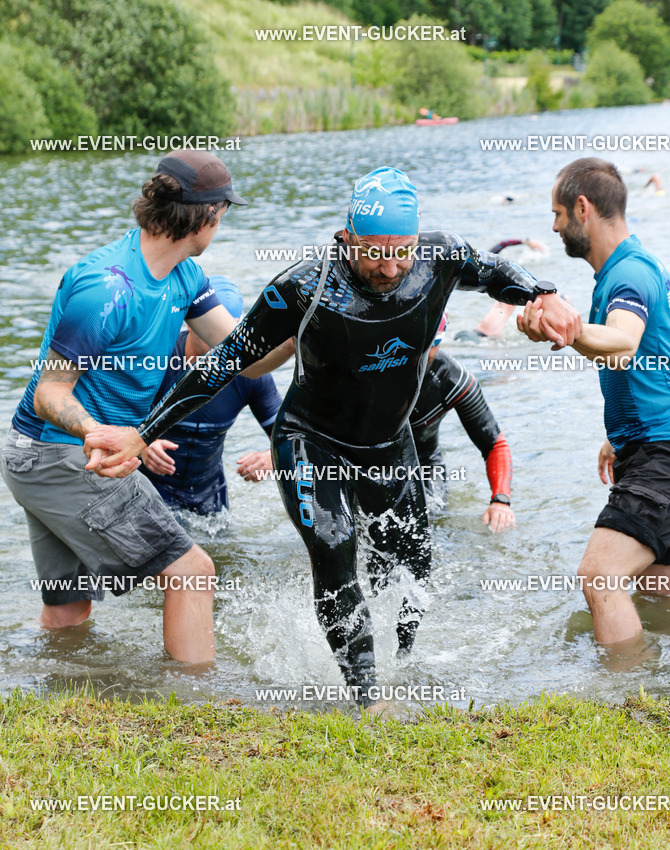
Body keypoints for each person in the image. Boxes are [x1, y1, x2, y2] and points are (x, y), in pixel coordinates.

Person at [86, 166, 577, 712]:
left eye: (401, 252)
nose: (389, 268)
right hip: (309, 440)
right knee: (334, 542)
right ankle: (368, 698)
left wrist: (544, 292)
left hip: (388, 444)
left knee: (412, 563)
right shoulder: (303, 287)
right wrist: (142, 434)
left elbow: (493, 271)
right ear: (345, 240)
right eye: (373, 253)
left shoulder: (441, 257)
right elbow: (224, 364)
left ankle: (405, 668)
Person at [0, 150, 249, 664]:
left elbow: (246, 355)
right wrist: (100, 432)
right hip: (61, 453)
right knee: (192, 571)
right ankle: (197, 707)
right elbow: (51, 392)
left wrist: (304, 320)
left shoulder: (186, 278)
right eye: (222, 216)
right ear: (204, 216)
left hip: (38, 458)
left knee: (69, 614)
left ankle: (28, 673)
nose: (219, 227)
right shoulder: (107, 288)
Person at [518, 157, 670, 646]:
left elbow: (625, 340)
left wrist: (564, 331)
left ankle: (626, 699)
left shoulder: (627, 275)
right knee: (662, 593)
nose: (553, 225)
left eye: (558, 213)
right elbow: (663, 357)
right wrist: (617, 437)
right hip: (659, 446)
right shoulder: (639, 265)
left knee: (600, 576)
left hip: (663, 455)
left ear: (582, 208)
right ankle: (662, 695)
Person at [140, 275, 292, 515]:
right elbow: (108, 417)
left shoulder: (252, 374)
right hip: (149, 486)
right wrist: (141, 444)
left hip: (210, 494)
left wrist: (272, 459)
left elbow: (291, 438)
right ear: (191, 323)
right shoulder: (158, 360)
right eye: (213, 333)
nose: (223, 346)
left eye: (231, 337)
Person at [409, 316, 514, 531]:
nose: (420, 355)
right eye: (415, 345)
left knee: (429, 525)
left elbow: (494, 445)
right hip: (362, 462)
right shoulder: (368, 365)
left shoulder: (452, 379)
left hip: (424, 465)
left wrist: (500, 501)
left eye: (430, 346)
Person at [454, 238, 548, 343]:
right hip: (483, 339)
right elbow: (502, 244)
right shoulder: (510, 293)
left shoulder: (480, 265)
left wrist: (526, 241)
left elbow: (502, 244)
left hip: (472, 334)